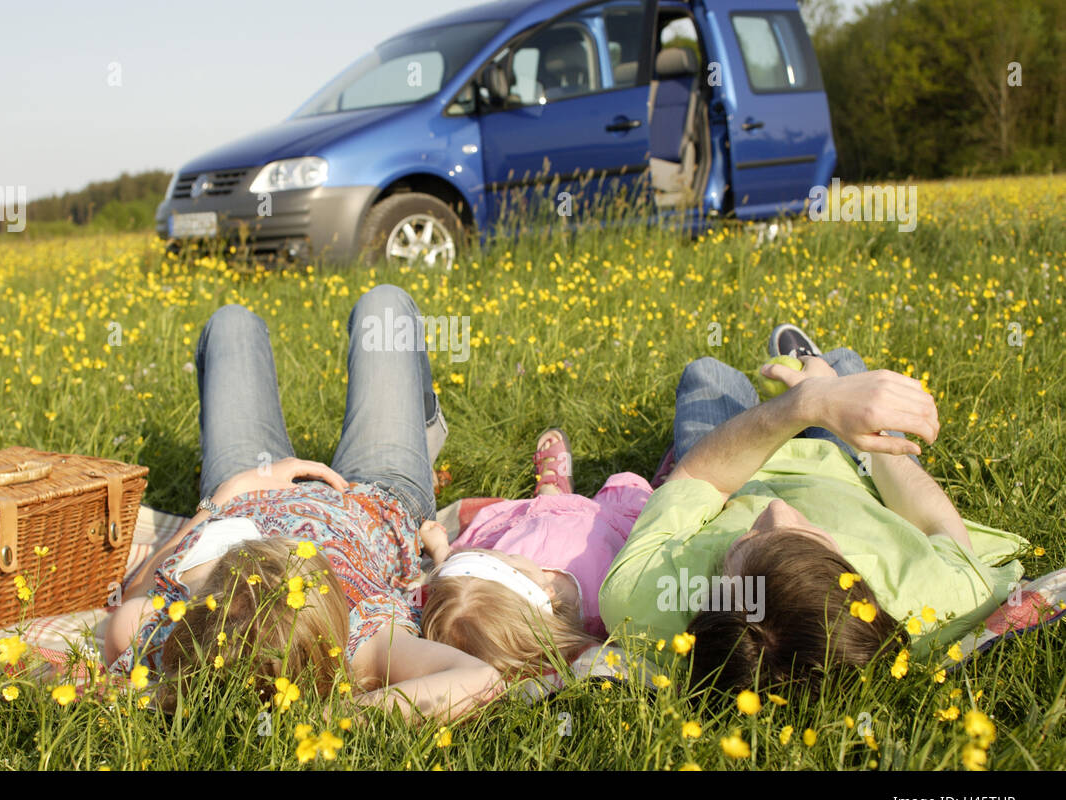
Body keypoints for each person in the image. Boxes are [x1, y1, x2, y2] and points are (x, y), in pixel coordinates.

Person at [105, 285, 516, 720]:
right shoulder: (364, 644)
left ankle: (402, 439)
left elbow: (137, 589)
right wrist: (336, 720)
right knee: (385, 307)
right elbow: (480, 680)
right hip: (377, 494)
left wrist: (223, 498)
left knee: (230, 323)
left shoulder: (163, 636)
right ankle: (422, 433)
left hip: (248, 483)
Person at [599, 324, 1025, 692]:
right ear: (855, 579)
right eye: (806, 535)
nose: (777, 509)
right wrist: (868, 434)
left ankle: (808, 387)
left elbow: (700, 478)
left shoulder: (641, 601)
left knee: (706, 372)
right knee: (846, 362)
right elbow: (934, 518)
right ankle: (824, 371)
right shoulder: (944, 600)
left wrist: (804, 405)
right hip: (847, 466)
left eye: (746, 539)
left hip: (728, 467)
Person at [420, 429, 651, 674]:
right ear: (546, 592)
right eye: (508, 560)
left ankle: (551, 492)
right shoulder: (607, 600)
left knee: (535, 513)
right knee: (635, 490)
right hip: (603, 522)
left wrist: (439, 549)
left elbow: (458, 585)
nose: (505, 554)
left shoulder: (506, 590)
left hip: (533, 521)